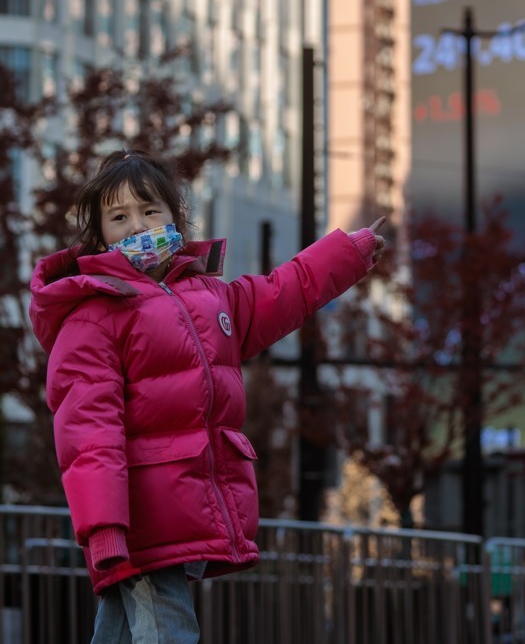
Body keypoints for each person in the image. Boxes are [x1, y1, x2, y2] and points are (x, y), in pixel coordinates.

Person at [28, 149, 386, 644]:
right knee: (167, 628)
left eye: (150, 210)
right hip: (141, 515)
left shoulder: (207, 296)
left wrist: (350, 251)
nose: (137, 225)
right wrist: (105, 527)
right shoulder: (93, 314)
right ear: (97, 234)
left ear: (176, 216)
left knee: (122, 629)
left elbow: (284, 291)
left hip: (179, 502)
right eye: (119, 216)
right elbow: (89, 434)